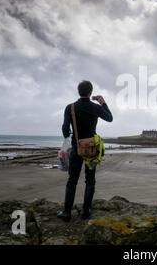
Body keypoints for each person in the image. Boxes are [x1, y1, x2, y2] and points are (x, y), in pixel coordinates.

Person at [57, 80, 113, 222]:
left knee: (72, 181)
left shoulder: (70, 108)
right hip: (91, 150)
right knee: (90, 181)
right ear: (90, 93)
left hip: (76, 149)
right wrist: (103, 103)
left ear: (78, 91)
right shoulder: (95, 107)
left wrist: (69, 134)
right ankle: (86, 212)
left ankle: (67, 213)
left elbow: (64, 130)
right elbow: (110, 118)